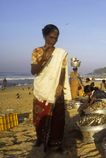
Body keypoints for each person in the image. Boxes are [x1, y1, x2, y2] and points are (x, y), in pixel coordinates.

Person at [31, 24, 71, 152]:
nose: (53, 40)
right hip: (42, 88)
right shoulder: (37, 51)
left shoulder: (61, 53)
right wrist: (44, 58)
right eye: (51, 37)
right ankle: (41, 139)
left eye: (56, 37)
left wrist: (60, 85)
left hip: (56, 87)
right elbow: (33, 71)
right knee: (41, 117)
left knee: (58, 117)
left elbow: (63, 70)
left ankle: (56, 143)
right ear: (44, 36)